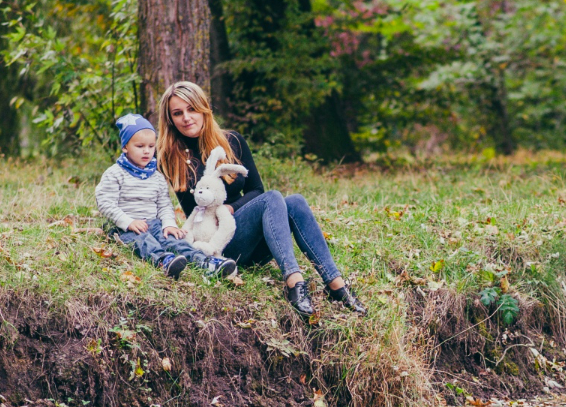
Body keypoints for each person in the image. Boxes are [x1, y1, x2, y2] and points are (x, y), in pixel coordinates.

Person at [155, 81, 367, 318]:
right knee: (273, 198)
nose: (186, 117)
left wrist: (231, 209)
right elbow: (141, 182)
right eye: (177, 113)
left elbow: (256, 190)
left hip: (246, 234)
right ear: (170, 119)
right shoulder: (167, 155)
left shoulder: (231, 141)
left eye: (191, 109)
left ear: (203, 109)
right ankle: (294, 281)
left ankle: (336, 284)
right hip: (217, 243)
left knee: (294, 201)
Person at [96, 113, 237, 281]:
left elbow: (164, 204)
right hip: (124, 227)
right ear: (125, 147)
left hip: (153, 223)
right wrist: (128, 222)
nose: (147, 151)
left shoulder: (156, 176)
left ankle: (206, 262)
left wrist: (168, 224)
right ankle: (163, 260)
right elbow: (105, 202)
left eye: (150, 146)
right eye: (140, 146)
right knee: (144, 241)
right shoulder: (115, 174)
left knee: (174, 240)